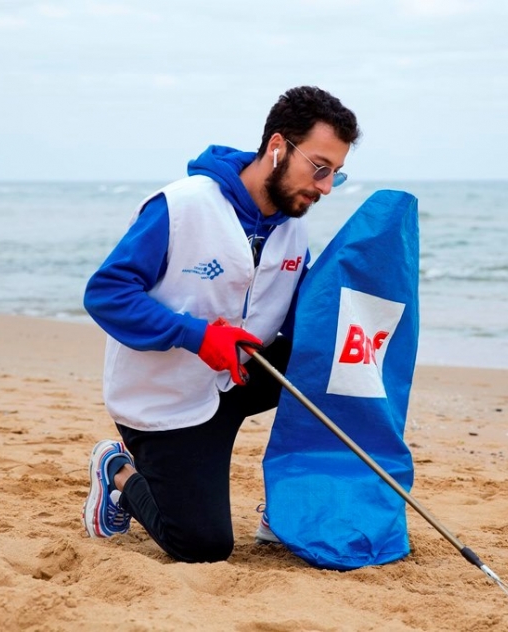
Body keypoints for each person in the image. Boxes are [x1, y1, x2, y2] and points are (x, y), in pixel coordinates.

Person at [81, 86, 361, 563]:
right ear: (278, 146)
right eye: (319, 168)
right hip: (166, 399)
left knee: (330, 366)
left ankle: (289, 505)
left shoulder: (293, 225)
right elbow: (105, 293)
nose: (326, 187)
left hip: (240, 378)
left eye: (336, 173)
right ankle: (119, 473)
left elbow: (300, 315)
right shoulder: (182, 206)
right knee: (203, 546)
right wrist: (198, 335)